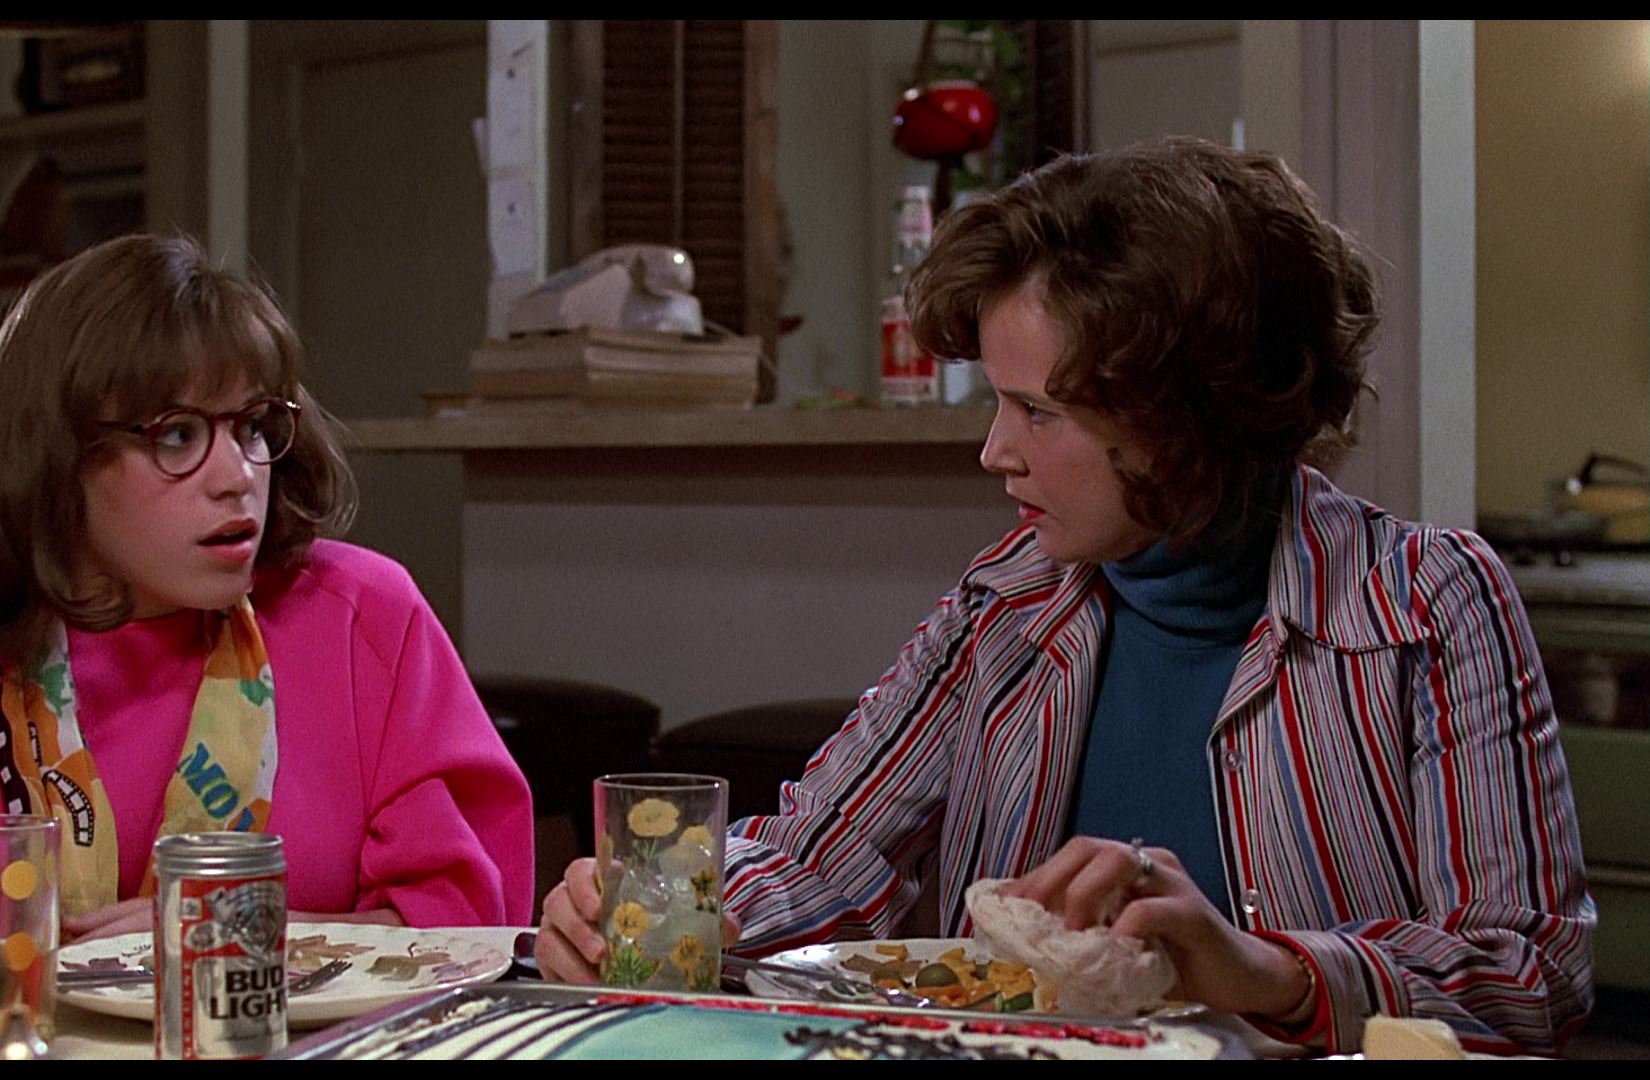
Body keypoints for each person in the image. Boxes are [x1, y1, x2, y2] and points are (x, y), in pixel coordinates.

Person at [536, 138, 1594, 1056]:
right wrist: (661, 901)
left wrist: (1266, 970)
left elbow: (1533, 973)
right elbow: (822, 859)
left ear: (1191, 410)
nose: (995, 452)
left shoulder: (1423, 603)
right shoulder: (1008, 600)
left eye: (1039, 412)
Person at [0, 233, 535, 967]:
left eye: (253, 427)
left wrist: (229, 934)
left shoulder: (365, 619)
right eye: (178, 435)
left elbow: (462, 929)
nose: (239, 477)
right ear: (54, 456)